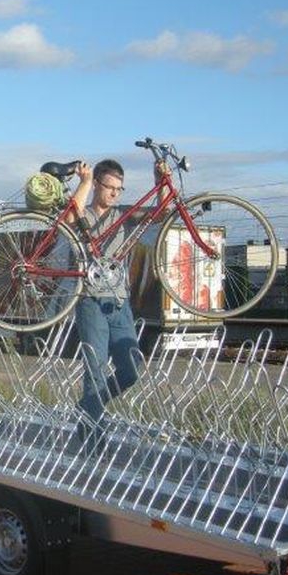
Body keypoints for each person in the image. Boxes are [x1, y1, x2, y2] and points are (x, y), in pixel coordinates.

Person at [70, 158, 166, 452]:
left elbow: (161, 213)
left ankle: (87, 407)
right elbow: (68, 218)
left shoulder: (123, 216)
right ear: (97, 184)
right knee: (95, 372)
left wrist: (160, 181)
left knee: (131, 370)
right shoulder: (84, 214)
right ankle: (94, 443)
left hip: (120, 303)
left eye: (119, 189)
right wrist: (84, 182)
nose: (114, 193)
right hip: (90, 301)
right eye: (109, 187)